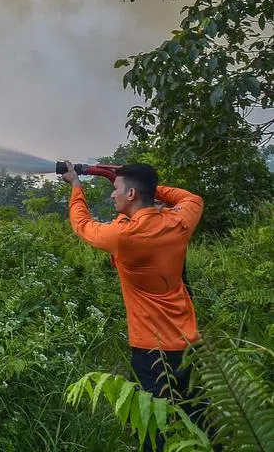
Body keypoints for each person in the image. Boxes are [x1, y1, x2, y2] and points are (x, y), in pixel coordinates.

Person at [59, 160, 211, 446]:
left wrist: (76, 186)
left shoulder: (124, 236)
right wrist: (146, 186)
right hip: (190, 345)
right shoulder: (178, 222)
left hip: (150, 352)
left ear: (130, 195)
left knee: (153, 430)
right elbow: (192, 199)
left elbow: (82, 224)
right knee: (200, 424)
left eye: (116, 188)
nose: (111, 194)